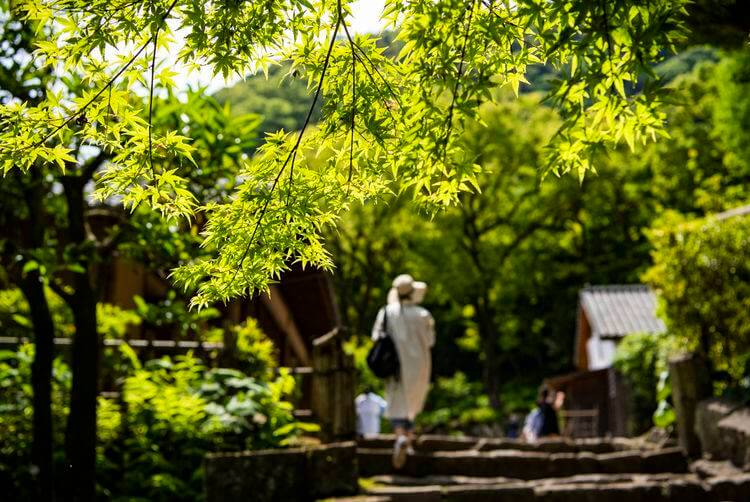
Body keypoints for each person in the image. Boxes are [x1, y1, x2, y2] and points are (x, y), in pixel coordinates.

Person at [371, 274, 435, 469]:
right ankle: (408, 440)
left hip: (395, 366)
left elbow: (376, 336)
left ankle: (400, 438)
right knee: (413, 403)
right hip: (421, 365)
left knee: (397, 401)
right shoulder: (423, 315)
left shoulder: (387, 312)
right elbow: (431, 341)